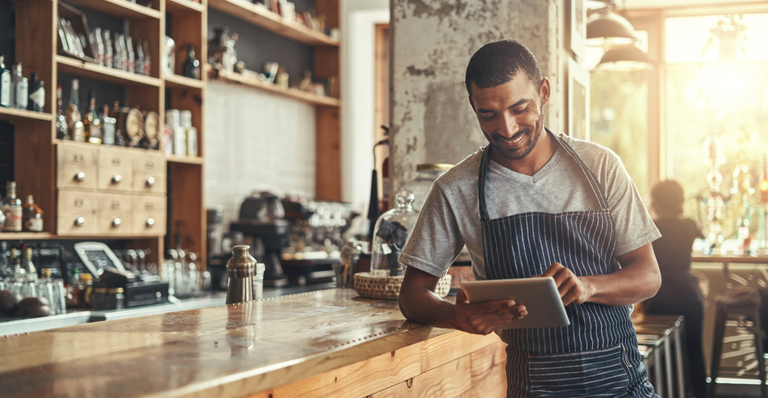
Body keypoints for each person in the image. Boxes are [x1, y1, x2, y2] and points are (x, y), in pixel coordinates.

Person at [397, 39, 662, 397]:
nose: (506, 128)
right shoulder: (456, 188)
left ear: (545, 91)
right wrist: (455, 317)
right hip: (534, 387)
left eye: (520, 108)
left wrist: (588, 286)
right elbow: (413, 294)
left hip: (622, 382)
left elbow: (648, 276)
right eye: (487, 114)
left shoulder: (601, 167)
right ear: (473, 107)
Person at [643, 179, 707, 398]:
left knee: (663, 354)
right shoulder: (689, 224)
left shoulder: (651, 227)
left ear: (657, 202)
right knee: (694, 350)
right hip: (689, 293)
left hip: (659, 294)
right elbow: (705, 237)